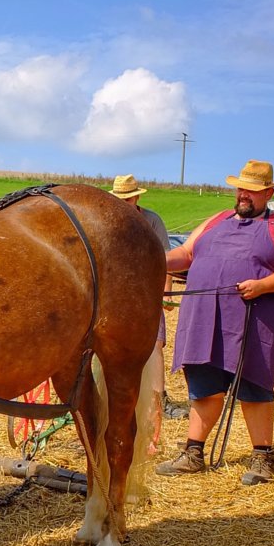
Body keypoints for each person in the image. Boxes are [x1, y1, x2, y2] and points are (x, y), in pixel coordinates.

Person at [155, 160, 274, 485]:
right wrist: (150, 260)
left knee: (254, 387)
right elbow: (186, 253)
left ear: (268, 192)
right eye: (241, 188)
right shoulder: (216, 221)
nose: (244, 195)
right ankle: (193, 453)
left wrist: (263, 285)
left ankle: (262, 456)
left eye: (252, 191)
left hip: (254, 321)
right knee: (203, 388)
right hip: (202, 318)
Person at [109, 174, 175, 453]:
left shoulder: (152, 221)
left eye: (127, 199)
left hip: (147, 297)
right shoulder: (109, 221)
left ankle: (158, 403)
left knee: (154, 348)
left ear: (136, 198)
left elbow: (166, 260)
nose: (123, 204)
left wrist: (167, 294)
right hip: (116, 298)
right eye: (119, 200)